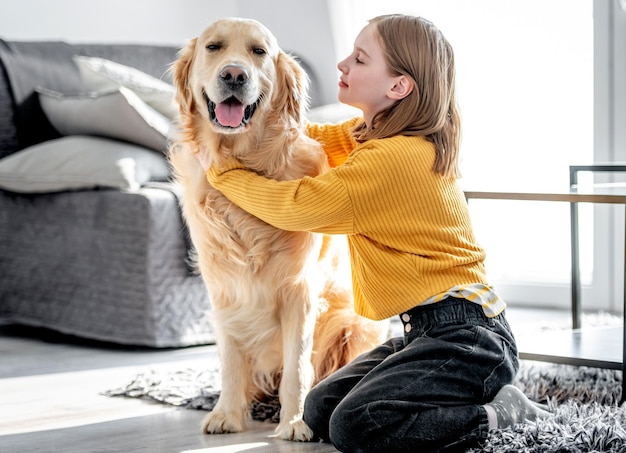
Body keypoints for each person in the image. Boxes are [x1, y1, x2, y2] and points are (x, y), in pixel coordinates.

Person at [200, 13, 551, 453]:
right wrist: (254, 118)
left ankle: (498, 414)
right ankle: (457, 393)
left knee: (356, 425)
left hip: (470, 337)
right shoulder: (372, 135)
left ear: (398, 87)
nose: (343, 64)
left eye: (360, 59)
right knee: (317, 409)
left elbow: (301, 206)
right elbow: (311, 137)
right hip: (422, 331)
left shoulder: (394, 158)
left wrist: (224, 174)